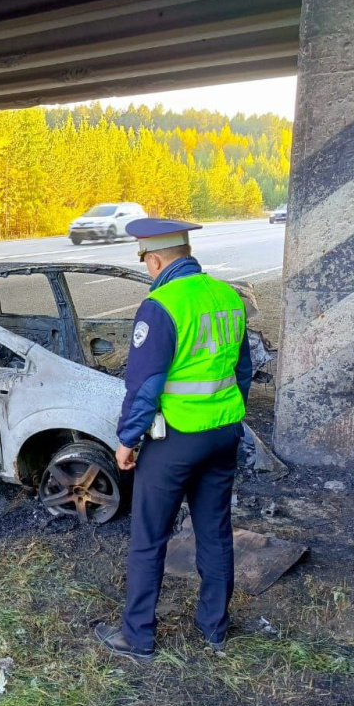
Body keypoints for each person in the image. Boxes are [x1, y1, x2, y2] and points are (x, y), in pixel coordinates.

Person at [94, 218, 253, 663]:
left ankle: (138, 637)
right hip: (224, 434)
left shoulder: (161, 305)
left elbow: (144, 386)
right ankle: (215, 629)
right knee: (215, 531)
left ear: (157, 259)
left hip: (177, 439)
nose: (148, 269)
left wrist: (126, 440)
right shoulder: (227, 296)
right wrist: (225, 415)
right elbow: (242, 372)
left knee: (149, 537)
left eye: (146, 261)